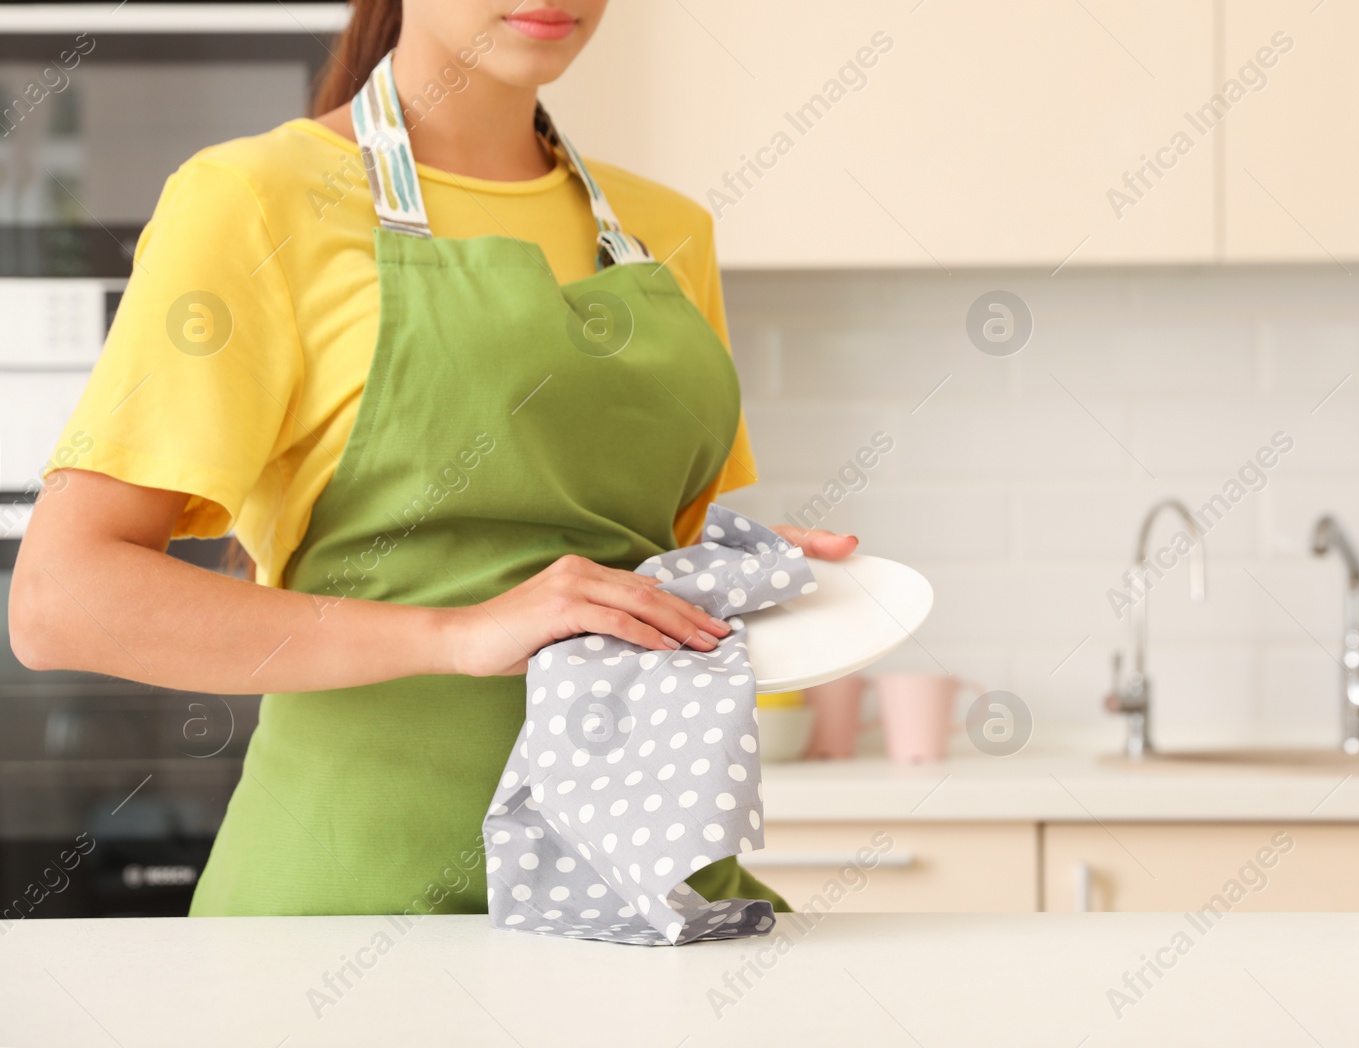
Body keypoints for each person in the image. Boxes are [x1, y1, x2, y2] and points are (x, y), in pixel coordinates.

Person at [8, 0, 855, 917]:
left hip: (646, 895)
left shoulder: (667, 230)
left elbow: (622, 579)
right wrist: (454, 633)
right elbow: (62, 600)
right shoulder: (255, 199)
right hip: (353, 905)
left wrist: (736, 576)